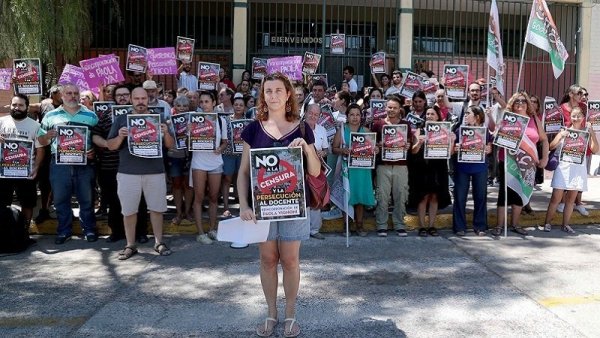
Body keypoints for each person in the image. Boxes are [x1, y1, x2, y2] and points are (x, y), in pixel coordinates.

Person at [238, 72, 320, 338]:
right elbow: (242, 173)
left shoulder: (303, 127)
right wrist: (242, 204)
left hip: (294, 206)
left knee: (291, 260)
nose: (272, 95)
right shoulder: (253, 128)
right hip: (262, 207)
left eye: (277, 90)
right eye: (267, 91)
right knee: (268, 259)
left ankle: (291, 315)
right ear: (263, 95)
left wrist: (306, 149)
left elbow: (317, 171)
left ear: (288, 95)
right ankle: (271, 313)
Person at [106, 87, 175, 259]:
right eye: (136, 98)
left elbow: (170, 145)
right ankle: (130, 245)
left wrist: (165, 132)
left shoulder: (159, 119)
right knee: (129, 211)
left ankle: (159, 242)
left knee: (157, 209)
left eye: (143, 98)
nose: (140, 102)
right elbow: (110, 146)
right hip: (128, 173)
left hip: (155, 172)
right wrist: (121, 136)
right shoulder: (121, 119)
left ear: (149, 99)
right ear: (131, 99)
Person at [38, 83, 99, 244]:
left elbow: (97, 138)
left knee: (86, 199)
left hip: (84, 164)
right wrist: (48, 136)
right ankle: (64, 231)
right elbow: (40, 139)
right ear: (62, 96)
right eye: (69, 93)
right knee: (60, 200)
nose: (72, 96)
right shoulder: (50, 116)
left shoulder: (91, 115)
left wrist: (93, 151)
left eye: (75, 93)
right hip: (59, 165)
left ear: (79, 95)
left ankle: (90, 230)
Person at [492, 92, 548, 237]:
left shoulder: (534, 119)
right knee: (504, 194)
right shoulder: (507, 117)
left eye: (523, 101)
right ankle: (499, 225)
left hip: (528, 163)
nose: (520, 103)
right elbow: (496, 136)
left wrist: (545, 158)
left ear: (528, 103)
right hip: (508, 161)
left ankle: (515, 224)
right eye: (517, 101)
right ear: (512, 103)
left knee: (519, 193)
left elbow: (544, 139)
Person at [543, 107, 598, 233]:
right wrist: (560, 137)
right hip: (563, 168)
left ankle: (565, 225)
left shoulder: (586, 132)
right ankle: (547, 223)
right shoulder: (564, 130)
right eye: (574, 115)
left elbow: (595, 150)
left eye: (579, 116)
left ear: (583, 117)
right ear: (570, 117)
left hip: (578, 169)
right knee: (556, 198)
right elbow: (551, 146)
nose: (576, 118)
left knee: (571, 200)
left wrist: (592, 131)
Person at [371, 95, 419, 237]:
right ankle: (381, 225)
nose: (391, 110)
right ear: (385, 108)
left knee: (401, 195)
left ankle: (399, 224)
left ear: (400, 110)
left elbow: (409, 144)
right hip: (383, 166)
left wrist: (408, 145)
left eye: (394, 108)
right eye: (389, 107)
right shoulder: (378, 124)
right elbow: (371, 144)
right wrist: (377, 146)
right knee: (382, 196)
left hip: (401, 165)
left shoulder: (405, 125)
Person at [332, 103, 377, 236]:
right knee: (347, 196)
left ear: (361, 116)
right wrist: (343, 150)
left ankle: (359, 225)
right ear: (347, 116)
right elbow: (334, 149)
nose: (355, 117)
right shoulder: (342, 130)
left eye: (357, 114)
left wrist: (376, 149)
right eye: (352, 114)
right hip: (347, 169)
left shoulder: (367, 131)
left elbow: (374, 149)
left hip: (362, 169)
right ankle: (347, 225)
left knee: (360, 197)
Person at [0, 94, 45, 227]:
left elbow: (40, 149)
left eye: (20, 105)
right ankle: (4, 232)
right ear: (10, 105)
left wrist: (36, 168)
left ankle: (24, 232)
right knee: (2, 203)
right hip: (3, 172)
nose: (17, 108)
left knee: (27, 203)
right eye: (14, 105)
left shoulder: (36, 126)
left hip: (26, 173)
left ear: (26, 107)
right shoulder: (1, 122)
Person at [408, 106, 452, 237]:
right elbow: (413, 151)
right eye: (427, 114)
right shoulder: (419, 130)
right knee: (423, 197)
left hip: (438, 166)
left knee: (434, 196)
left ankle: (432, 225)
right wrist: (419, 143)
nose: (429, 116)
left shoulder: (445, 130)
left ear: (438, 116)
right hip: (422, 167)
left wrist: (452, 139)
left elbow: (450, 153)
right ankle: (422, 226)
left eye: (432, 114)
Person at [191, 91, 228, 245]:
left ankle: (212, 229)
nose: (204, 104)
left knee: (213, 197)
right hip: (199, 162)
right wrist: (189, 130)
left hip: (215, 162)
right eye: (202, 102)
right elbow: (185, 141)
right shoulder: (194, 119)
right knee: (199, 197)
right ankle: (200, 233)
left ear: (213, 103)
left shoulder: (220, 121)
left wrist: (220, 149)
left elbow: (225, 142)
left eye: (207, 101)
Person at [452, 106, 492, 236]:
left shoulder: (485, 131)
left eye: (468, 113)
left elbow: (490, 147)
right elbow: (452, 149)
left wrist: (488, 148)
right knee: (459, 197)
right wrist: (455, 148)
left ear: (477, 116)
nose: (465, 115)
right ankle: (459, 227)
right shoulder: (459, 130)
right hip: (462, 168)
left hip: (480, 168)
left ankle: (480, 226)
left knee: (480, 196)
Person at [557, 84, 590, 216]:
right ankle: (563, 202)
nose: (582, 96)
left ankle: (578, 203)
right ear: (571, 94)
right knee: (566, 174)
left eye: (583, 94)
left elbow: (588, 121)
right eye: (580, 93)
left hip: (582, 143)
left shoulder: (584, 107)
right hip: (567, 145)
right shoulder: (561, 108)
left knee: (579, 175)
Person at [34, 85, 63, 224]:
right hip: (46, 150)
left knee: (64, 183)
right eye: (60, 92)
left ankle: (62, 209)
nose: (63, 94)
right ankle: (44, 210)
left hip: (64, 150)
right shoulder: (44, 106)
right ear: (53, 94)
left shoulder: (69, 107)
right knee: (45, 183)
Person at [167, 95, 194, 226]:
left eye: (185, 106)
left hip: (189, 156)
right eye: (179, 105)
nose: (182, 108)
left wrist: (191, 131)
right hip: (174, 156)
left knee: (188, 186)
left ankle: (187, 212)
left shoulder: (194, 120)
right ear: (175, 107)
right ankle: (178, 213)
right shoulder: (168, 121)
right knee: (176, 185)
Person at [304, 104, 329, 239]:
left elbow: (326, 150)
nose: (313, 116)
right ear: (305, 112)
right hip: (301, 169)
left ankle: (314, 229)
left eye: (316, 114)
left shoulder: (322, 130)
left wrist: (322, 153)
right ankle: (302, 230)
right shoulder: (298, 128)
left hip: (316, 170)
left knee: (316, 198)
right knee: (303, 199)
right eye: (311, 113)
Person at [220, 93, 246, 218]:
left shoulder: (249, 121)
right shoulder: (226, 120)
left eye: (241, 105)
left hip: (243, 155)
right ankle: (226, 207)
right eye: (236, 104)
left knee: (242, 181)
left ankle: (243, 206)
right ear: (233, 106)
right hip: (229, 154)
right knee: (227, 180)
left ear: (244, 107)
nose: (238, 107)